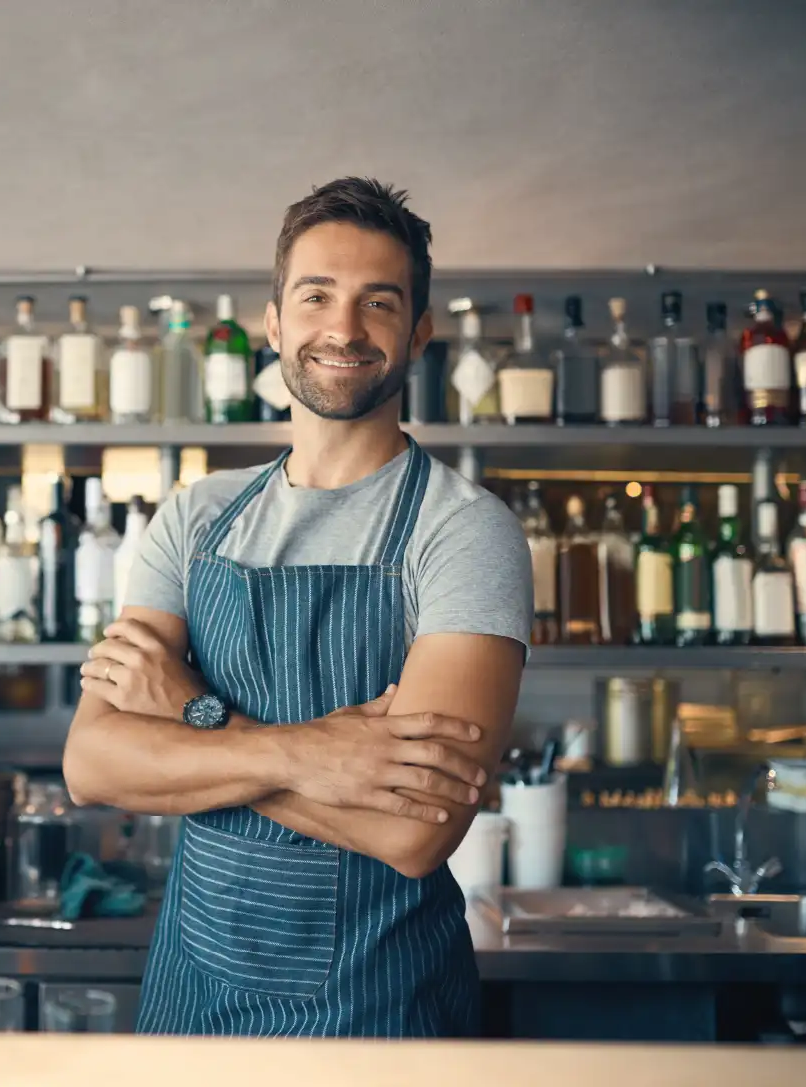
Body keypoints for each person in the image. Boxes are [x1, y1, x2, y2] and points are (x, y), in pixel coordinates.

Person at [64, 177, 532, 1038]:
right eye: (316, 295)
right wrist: (317, 757)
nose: (343, 328)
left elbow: (413, 835)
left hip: (379, 1007)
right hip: (190, 999)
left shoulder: (466, 533)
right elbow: (93, 763)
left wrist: (183, 712)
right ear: (274, 322)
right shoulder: (195, 518)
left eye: (377, 302)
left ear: (418, 333)